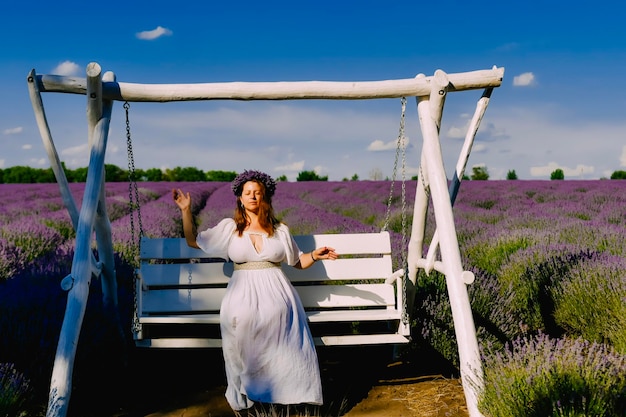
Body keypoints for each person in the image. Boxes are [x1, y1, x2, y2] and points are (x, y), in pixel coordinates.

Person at [172, 170, 337, 413]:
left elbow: (297, 262)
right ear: (239, 198)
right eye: (247, 193)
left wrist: (314, 255)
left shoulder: (280, 230)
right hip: (243, 292)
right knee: (244, 326)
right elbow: (193, 241)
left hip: (277, 293)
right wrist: (186, 210)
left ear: (265, 198)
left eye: (257, 193)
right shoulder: (230, 228)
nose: (252, 197)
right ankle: (253, 392)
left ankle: (284, 395)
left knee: (277, 323)